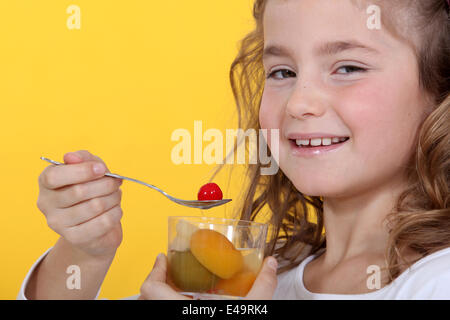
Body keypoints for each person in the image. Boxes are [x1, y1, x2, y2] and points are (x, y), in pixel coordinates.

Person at [19, 0, 449, 300]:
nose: (299, 102)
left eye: (348, 68)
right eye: (282, 71)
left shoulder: (437, 281)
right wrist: (84, 251)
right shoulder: (257, 276)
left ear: (438, 90)